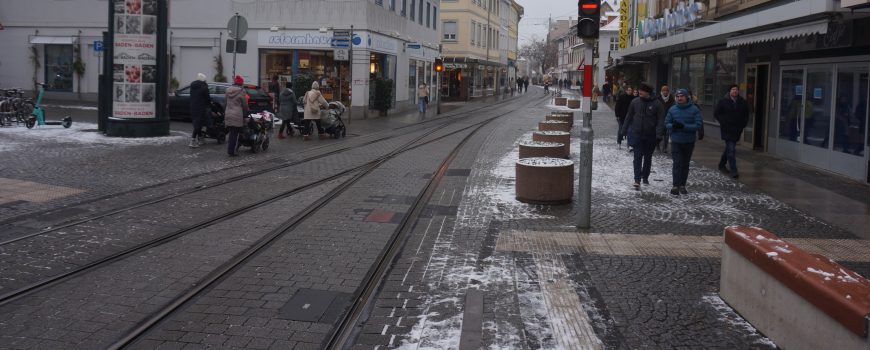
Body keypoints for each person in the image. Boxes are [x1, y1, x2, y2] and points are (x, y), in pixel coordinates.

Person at [620, 83, 665, 189]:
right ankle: (637, 179)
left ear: (648, 92)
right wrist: (624, 130)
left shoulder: (657, 104)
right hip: (637, 134)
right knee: (637, 157)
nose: (640, 92)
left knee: (648, 157)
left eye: (643, 90)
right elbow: (629, 116)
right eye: (639, 90)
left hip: (651, 135)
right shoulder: (635, 102)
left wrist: (659, 134)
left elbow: (661, 120)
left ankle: (645, 176)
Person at [665, 89, 703, 195]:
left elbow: (698, 125)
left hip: (688, 141)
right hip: (676, 141)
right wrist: (673, 126)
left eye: (682, 96)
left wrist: (684, 126)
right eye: (677, 96)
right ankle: (675, 185)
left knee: (685, 164)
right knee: (677, 163)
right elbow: (666, 123)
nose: (679, 98)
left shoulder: (694, 109)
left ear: (687, 97)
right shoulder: (672, 109)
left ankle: (682, 185)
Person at [713, 84, 750, 178]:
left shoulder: (742, 102)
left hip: (737, 129)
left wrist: (743, 124)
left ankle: (721, 164)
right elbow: (717, 113)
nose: (735, 91)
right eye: (733, 89)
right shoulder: (723, 101)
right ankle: (734, 170)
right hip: (727, 129)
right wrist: (723, 122)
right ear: (729, 91)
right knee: (731, 149)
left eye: (736, 89)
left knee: (729, 149)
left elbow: (746, 114)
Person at [224, 75, 248, 156]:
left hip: (228, 113)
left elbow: (225, 102)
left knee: (231, 132)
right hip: (237, 114)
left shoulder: (227, 90)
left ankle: (230, 149)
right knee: (235, 134)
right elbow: (245, 105)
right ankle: (232, 151)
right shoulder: (242, 91)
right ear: (241, 83)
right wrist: (246, 113)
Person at [188, 73, 211, 148]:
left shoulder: (192, 86)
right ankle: (192, 141)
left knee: (197, 123)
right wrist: (209, 104)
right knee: (198, 125)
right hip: (201, 107)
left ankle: (200, 139)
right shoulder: (204, 86)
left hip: (193, 106)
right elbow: (207, 98)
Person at [657, 84, 676, 153]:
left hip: (668, 119)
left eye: (666, 91)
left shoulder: (672, 99)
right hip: (660, 119)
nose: (665, 92)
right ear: (661, 92)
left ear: (668, 92)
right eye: (663, 91)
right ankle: (657, 145)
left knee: (667, 135)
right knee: (659, 134)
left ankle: (665, 148)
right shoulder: (658, 99)